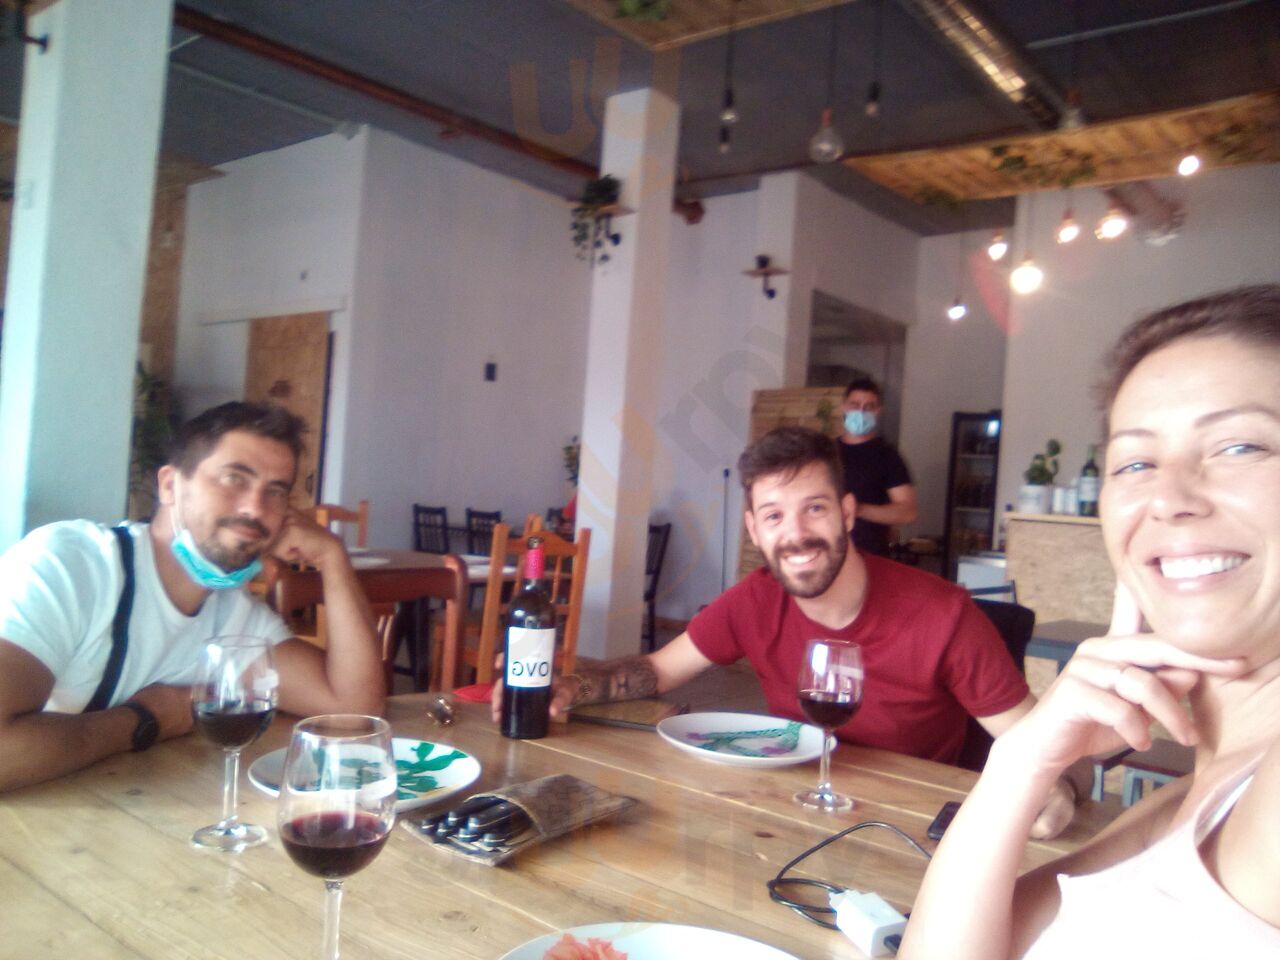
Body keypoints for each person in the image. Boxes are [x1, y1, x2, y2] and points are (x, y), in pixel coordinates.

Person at [899, 286, 1280, 958]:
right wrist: (1022, 760)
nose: (1167, 497)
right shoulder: (1184, 800)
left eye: (1240, 447)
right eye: (1135, 463)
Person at [493, 425, 1086, 838]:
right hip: (787, 813)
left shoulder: (945, 615)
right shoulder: (754, 600)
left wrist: (1064, 789)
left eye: (815, 509)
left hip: (905, 829)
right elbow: (655, 671)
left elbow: (1048, 749)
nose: (796, 534)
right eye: (775, 516)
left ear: (847, 513)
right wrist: (570, 686)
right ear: (754, 530)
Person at [0, 401, 385, 793]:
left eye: (275, 491)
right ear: (170, 486)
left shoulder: (236, 615)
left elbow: (354, 710)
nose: (255, 508)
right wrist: (144, 720)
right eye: (234, 478)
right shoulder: (71, 565)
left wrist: (332, 557)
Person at [836, 377, 918, 556]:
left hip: (871, 556)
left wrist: (859, 509)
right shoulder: (826, 452)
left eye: (869, 407)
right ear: (844, 407)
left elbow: (908, 512)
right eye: (855, 405)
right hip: (827, 553)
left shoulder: (887, 456)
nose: (861, 411)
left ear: (878, 411)